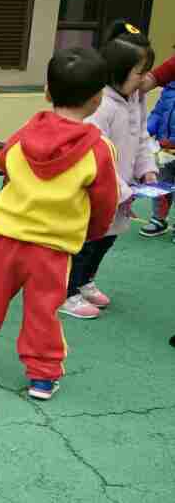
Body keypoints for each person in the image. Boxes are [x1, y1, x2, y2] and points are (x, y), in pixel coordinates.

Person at [0, 47, 118, 400]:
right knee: (43, 312)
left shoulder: (24, 135)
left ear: (46, 92)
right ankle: (42, 377)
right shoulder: (99, 149)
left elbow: (6, 165)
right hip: (53, 248)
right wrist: (92, 232)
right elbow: (105, 202)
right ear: (97, 99)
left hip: (6, 236)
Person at [61, 21, 157, 319]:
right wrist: (122, 190)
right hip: (96, 190)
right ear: (117, 71)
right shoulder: (100, 105)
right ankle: (67, 292)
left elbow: (141, 137)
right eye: (140, 72)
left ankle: (85, 281)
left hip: (120, 190)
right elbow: (93, 155)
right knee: (86, 242)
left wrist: (147, 170)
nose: (145, 79)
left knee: (107, 238)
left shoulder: (135, 98)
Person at [139, 80, 175, 237]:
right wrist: (147, 130)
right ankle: (159, 218)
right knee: (161, 185)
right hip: (164, 150)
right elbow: (158, 113)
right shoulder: (169, 88)